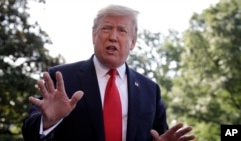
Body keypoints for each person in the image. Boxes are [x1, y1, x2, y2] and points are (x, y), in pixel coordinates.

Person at [22, 4, 196, 141]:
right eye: (106, 28)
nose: (113, 36)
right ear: (93, 36)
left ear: (133, 43)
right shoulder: (62, 78)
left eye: (122, 30)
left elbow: (159, 135)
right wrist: (48, 122)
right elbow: (30, 133)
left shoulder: (150, 90)